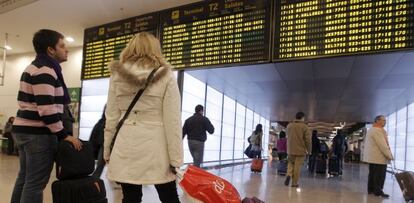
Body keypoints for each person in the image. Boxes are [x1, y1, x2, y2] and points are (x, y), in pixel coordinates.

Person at [103, 32, 183, 203]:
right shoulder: (165, 74)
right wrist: (176, 158)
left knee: (130, 197)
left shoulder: (116, 75)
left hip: (125, 143)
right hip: (156, 147)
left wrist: (107, 150)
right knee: (169, 196)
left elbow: (111, 117)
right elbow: (173, 121)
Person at [10, 29, 82, 203]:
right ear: (51, 49)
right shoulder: (46, 70)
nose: (67, 50)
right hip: (37, 133)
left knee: (25, 178)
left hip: (25, 130)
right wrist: (64, 135)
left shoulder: (33, 66)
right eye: (62, 46)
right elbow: (47, 109)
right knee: (35, 183)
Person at [363, 115, 393, 198]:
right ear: (377, 121)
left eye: (385, 120)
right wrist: (389, 156)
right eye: (383, 120)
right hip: (379, 157)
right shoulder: (378, 130)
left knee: (372, 174)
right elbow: (382, 145)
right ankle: (378, 191)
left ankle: (371, 189)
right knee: (379, 175)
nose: (385, 122)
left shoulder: (372, 130)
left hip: (373, 157)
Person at [284, 112, 311, 187]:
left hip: (290, 149)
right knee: (297, 166)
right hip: (300, 150)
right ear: (302, 117)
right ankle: (294, 183)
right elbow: (308, 140)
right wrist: (309, 150)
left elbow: (287, 136)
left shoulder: (289, 126)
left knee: (290, 163)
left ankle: (289, 174)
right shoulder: (304, 127)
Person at [89, 106, 106, 178]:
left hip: (103, 144)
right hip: (103, 144)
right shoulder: (102, 122)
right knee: (100, 164)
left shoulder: (101, 121)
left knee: (100, 164)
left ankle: (94, 178)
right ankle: (94, 179)